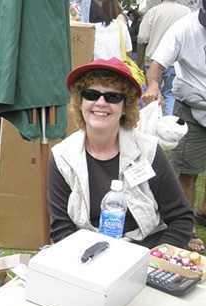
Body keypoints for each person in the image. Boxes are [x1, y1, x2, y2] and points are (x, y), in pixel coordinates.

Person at [47, 57, 193, 249]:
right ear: (79, 101)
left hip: (145, 253)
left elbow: (181, 219)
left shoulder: (148, 151)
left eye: (112, 97)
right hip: (88, 255)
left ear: (126, 107)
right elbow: (61, 229)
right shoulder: (62, 157)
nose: (100, 103)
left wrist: (154, 260)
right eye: (91, 94)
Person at [142, 0, 206, 253]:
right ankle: (185, 225)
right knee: (189, 170)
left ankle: (203, 212)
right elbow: (156, 65)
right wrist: (154, 85)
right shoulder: (185, 27)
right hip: (192, 104)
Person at [136, 0, 191, 116]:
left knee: (152, 94)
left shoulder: (153, 11)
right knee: (170, 94)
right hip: (175, 61)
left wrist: (139, 61)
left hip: (152, 60)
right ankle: (169, 125)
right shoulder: (186, 11)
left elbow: (142, 37)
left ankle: (153, 123)